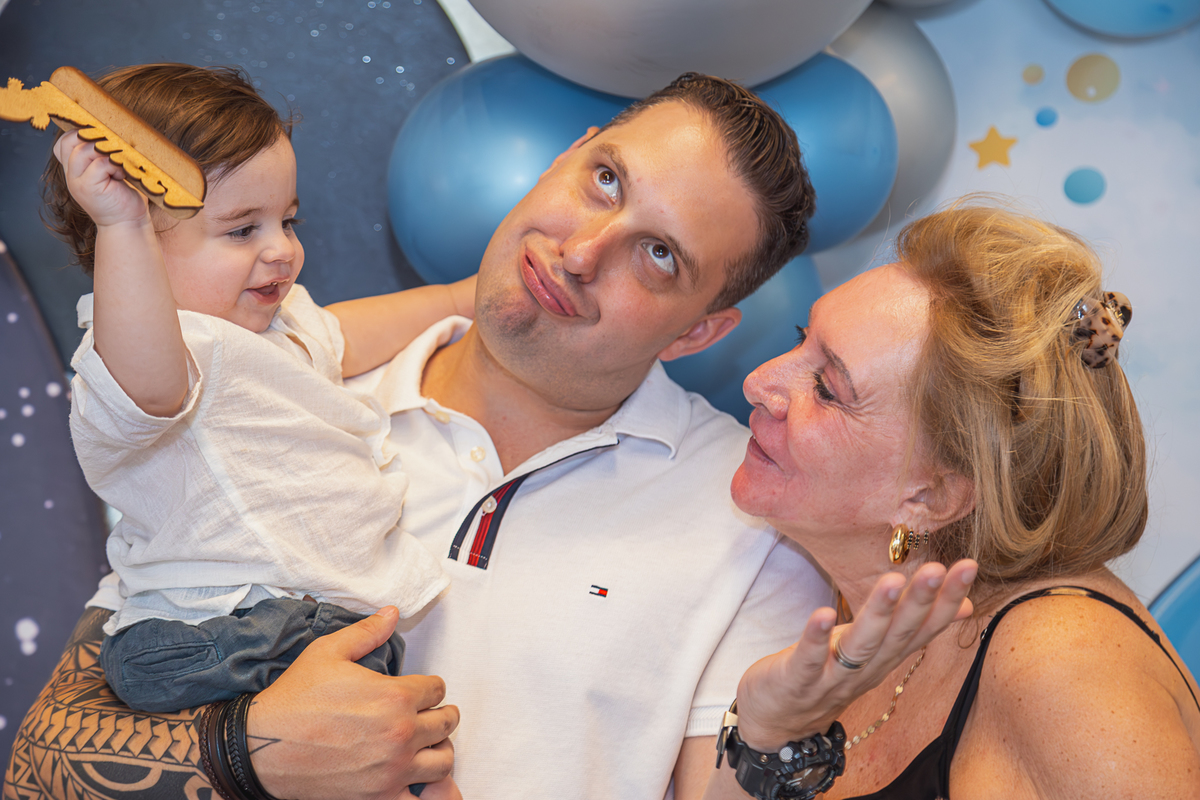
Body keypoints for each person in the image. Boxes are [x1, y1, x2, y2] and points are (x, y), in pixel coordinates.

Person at [6, 73, 833, 799]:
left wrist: (768, 739)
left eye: (657, 253)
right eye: (605, 180)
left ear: (697, 333)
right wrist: (247, 754)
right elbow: (38, 768)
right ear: (564, 155)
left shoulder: (752, 525)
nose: (582, 252)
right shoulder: (271, 398)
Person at [682, 202, 1200, 799]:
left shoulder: (1069, 665)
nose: (758, 382)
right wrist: (766, 737)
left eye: (827, 389)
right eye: (802, 339)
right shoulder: (837, 606)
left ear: (932, 496)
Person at [46, 63, 475, 719]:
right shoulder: (151, 351)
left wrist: (459, 297)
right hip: (210, 622)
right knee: (354, 683)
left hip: (310, 618)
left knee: (371, 680)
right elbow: (155, 390)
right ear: (138, 248)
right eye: (243, 229)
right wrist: (122, 227)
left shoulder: (279, 322)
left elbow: (346, 333)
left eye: (288, 221)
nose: (282, 249)